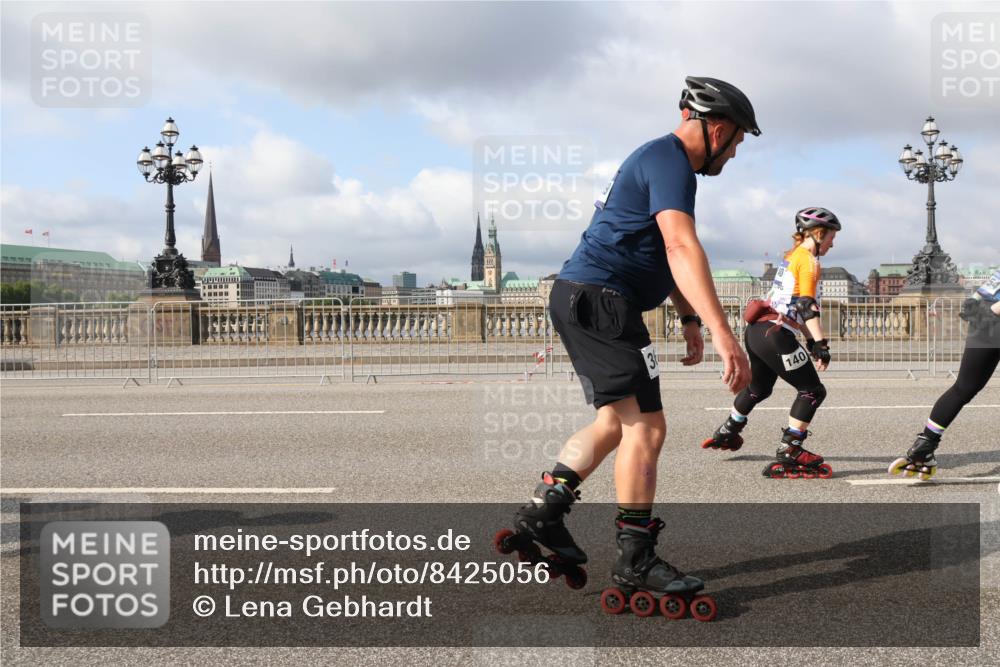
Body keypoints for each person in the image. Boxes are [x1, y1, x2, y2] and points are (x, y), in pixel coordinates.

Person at [503, 76, 758, 618]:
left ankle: (543, 513)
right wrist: (721, 330)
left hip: (583, 296)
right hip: (604, 301)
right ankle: (635, 557)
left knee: (615, 422)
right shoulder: (669, 161)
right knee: (648, 427)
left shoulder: (658, 160)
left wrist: (688, 317)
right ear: (714, 126)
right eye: (736, 139)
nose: (736, 151)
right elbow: (680, 244)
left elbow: (656, 253)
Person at [701, 207, 841, 479]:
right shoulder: (809, 261)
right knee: (812, 391)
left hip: (757, 331)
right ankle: (791, 449)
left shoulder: (792, 257)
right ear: (819, 233)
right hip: (776, 335)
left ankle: (729, 429)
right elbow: (805, 305)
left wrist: (811, 342)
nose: (833, 244)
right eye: (831, 237)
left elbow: (793, 304)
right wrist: (821, 343)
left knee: (759, 387)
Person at [889, 267, 1000, 480]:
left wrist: (973, 302)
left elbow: (993, 283)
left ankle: (925, 444)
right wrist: (992, 311)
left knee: (963, 388)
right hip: (993, 313)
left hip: (984, 317)